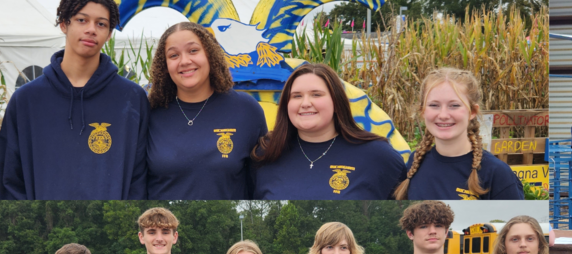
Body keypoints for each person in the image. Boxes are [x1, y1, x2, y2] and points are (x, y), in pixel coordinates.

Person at [0, 0, 149, 200]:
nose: (91, 29)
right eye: (82, 20)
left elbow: (140, 180)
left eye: (101, 24)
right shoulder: (26, 101)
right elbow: (11, 182)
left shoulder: (132, 99)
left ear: (110, 33)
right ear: (64, 24)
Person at [147, 22, 267, 200]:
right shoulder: (149, 111)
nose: (185, 61)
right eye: (174, 55)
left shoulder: (246, 110)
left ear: (210, 54)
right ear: (164, 65)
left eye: (193, 50)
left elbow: (262, 183)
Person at [251, 63, 406, 200]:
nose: (305, 103)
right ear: (286, 105)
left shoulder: (378, 155)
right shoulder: (265, 153)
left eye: (316, 94)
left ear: (337, 102)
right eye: (296, 96)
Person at [394, 68, 524, 201]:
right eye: (434, 105)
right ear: (422, 111)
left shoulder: (496, 173)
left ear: (472, 111)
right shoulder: (415, 162)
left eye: (454, 105)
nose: (443, 115)